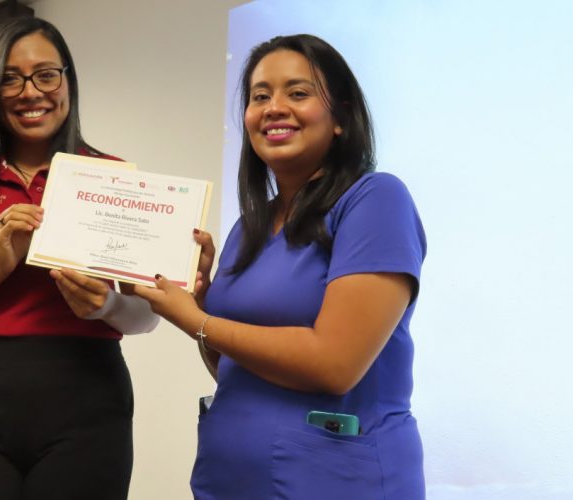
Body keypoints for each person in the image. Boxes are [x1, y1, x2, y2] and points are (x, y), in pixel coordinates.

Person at [135, 34, 426, 499]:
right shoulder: (248, 226)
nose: (273, 107)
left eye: (298, 92)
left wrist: (197, 319)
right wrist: (202, 301)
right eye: (259, 96)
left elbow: (334, 365)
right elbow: (231, 367)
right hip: (230, 478)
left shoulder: (375, 200)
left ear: (340, 118)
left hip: (333, 482)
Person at [0, 17, 157, 500]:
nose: (31, 91)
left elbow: (147, 316)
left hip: (88, 397)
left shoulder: (111, 176)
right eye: (9, 78)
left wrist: (105, 306)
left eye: (46, 74)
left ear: (67, 81)